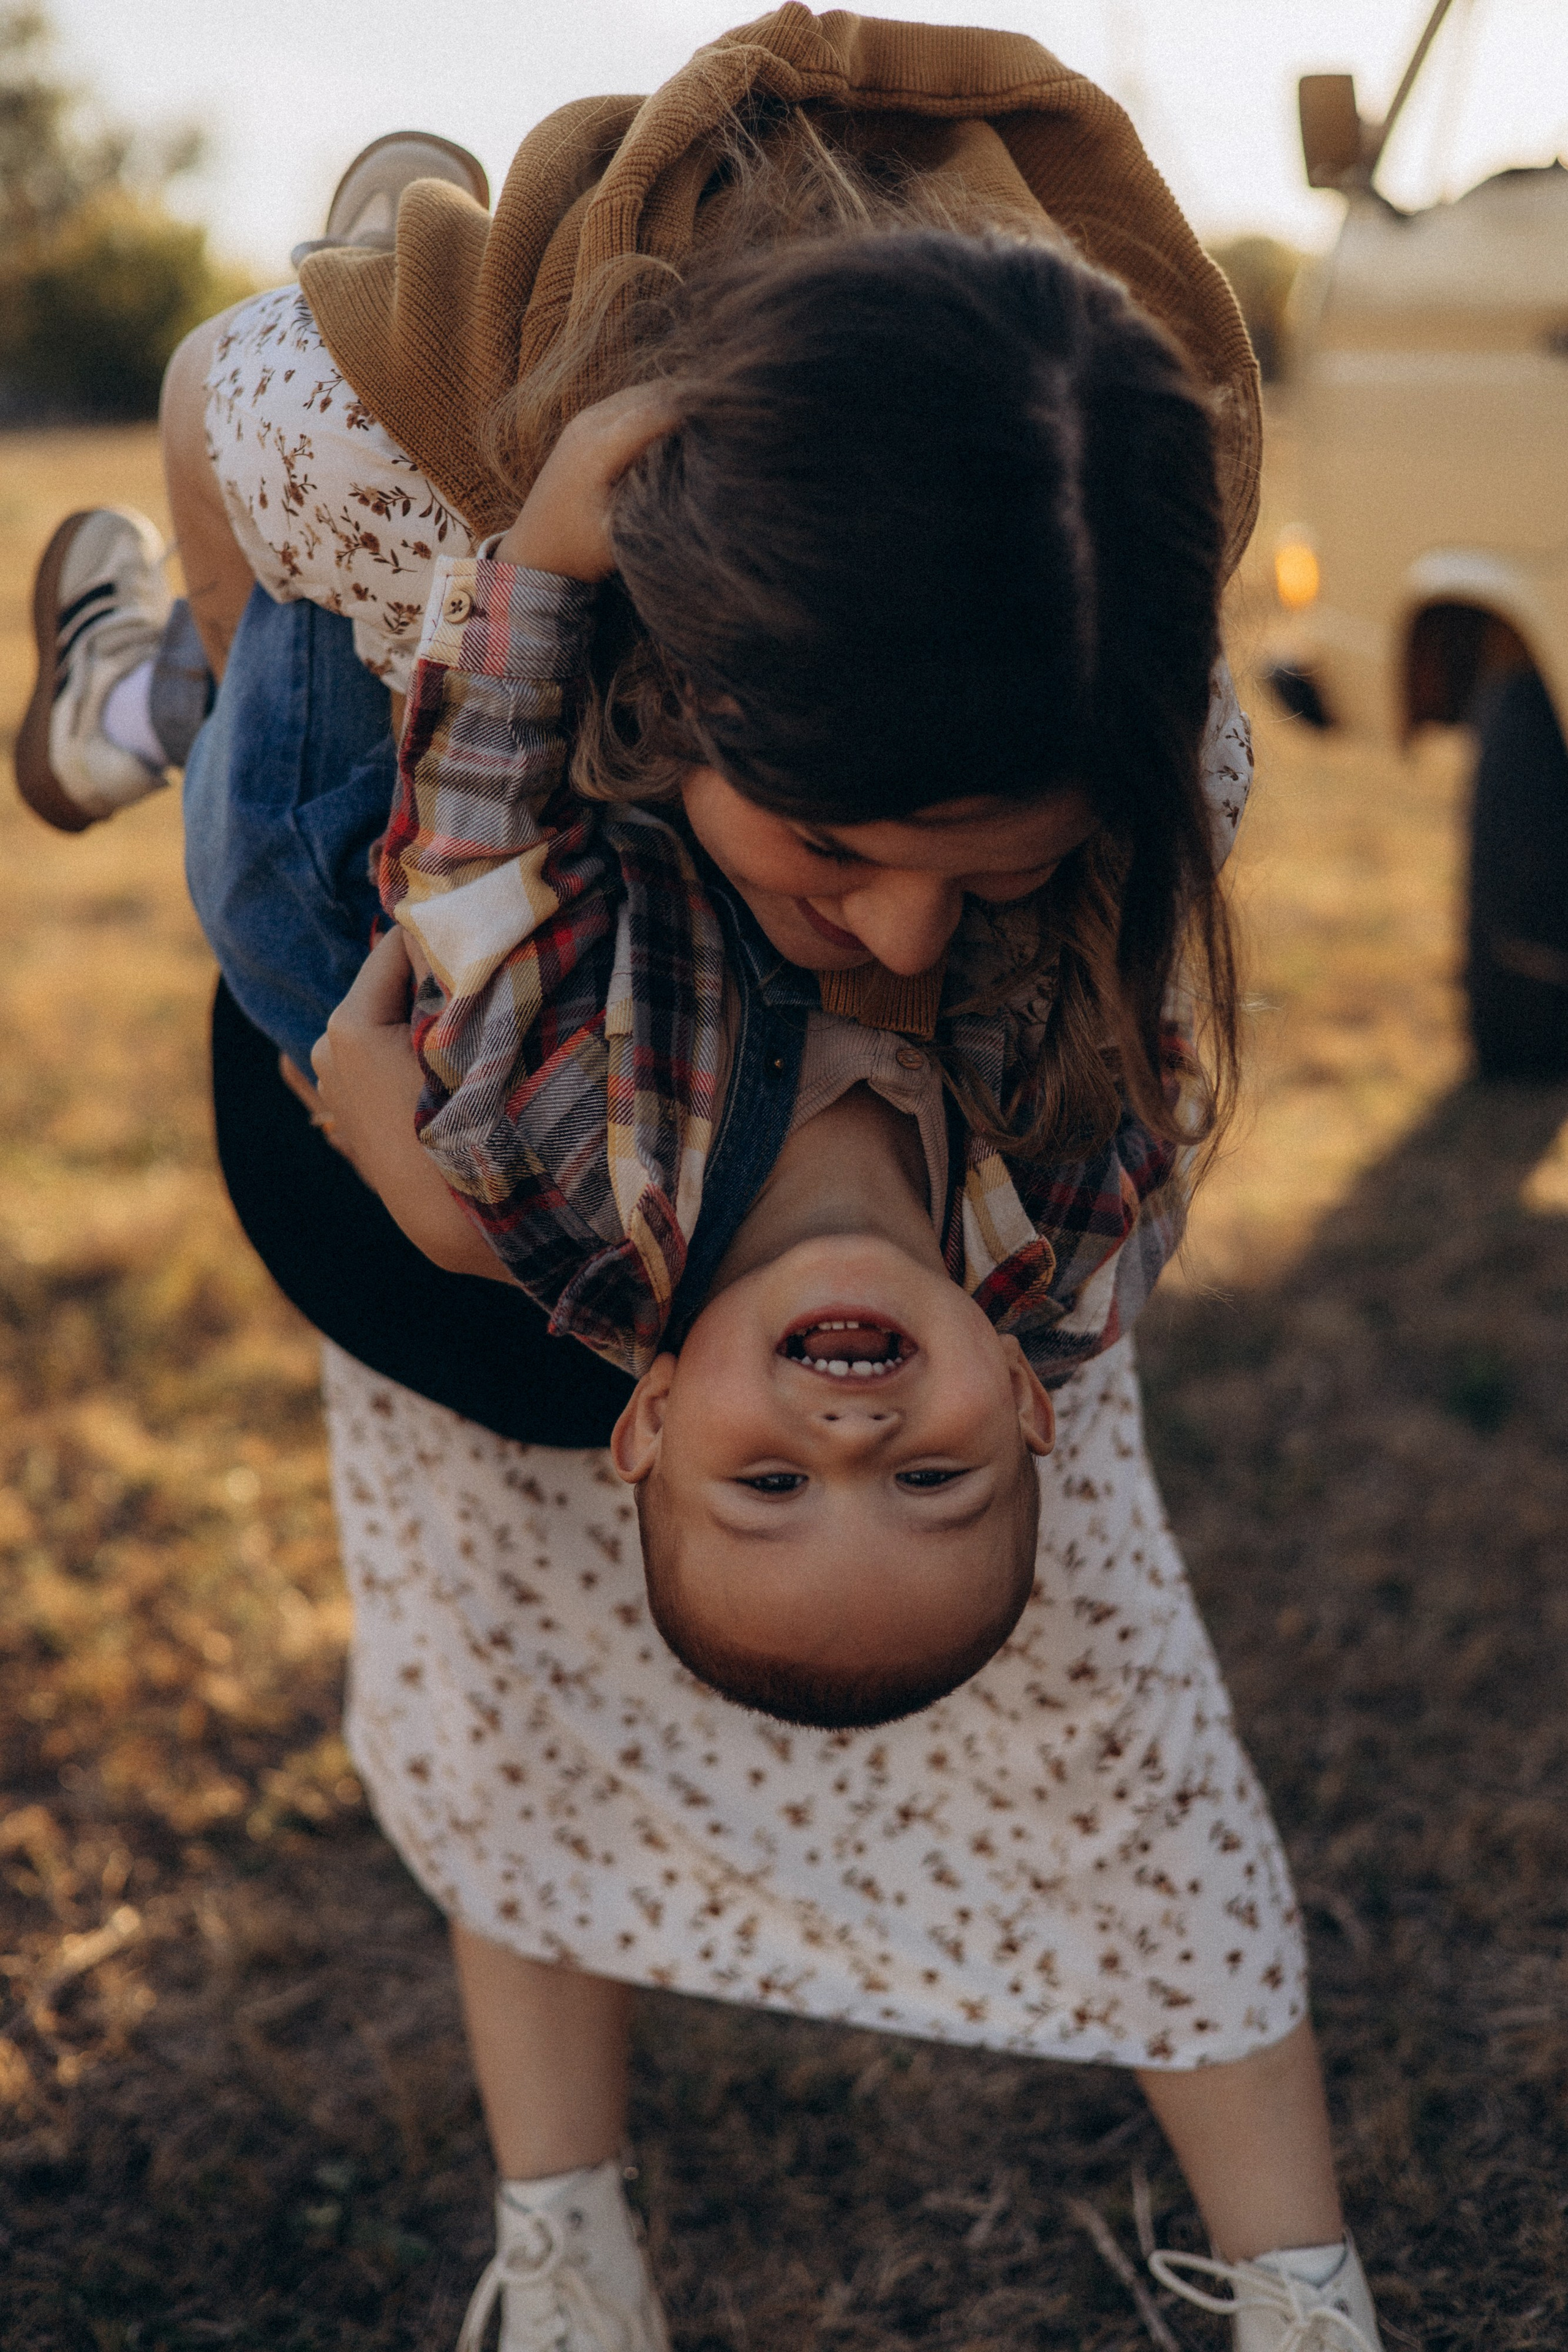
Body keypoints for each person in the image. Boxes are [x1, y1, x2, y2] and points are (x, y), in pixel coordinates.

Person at [13, 16, 1384, 2351]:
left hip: (368, 895)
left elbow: (460, 864)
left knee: (291, 847)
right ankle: (184, 639)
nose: (852, 1436)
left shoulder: (571, 1176)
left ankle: (159, 686)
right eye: (921, 1474)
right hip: (520, 565)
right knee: (301, 582)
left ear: (652, 1422)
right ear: (1032, 1408)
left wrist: (539, 558)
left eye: (771, 1483)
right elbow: (1141, 1021)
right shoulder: (1072, 1211)